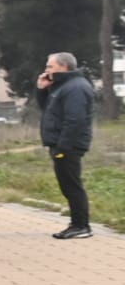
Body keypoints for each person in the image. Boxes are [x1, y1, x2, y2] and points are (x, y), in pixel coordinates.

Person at [36, 51, 96, 239]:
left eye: (50, 66)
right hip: (61, 144)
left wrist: (62, 147)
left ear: (64, 67)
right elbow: (47, 110)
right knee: (67, 185)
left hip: (69, 145)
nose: (46, 70)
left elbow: (75, 120)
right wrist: (41, 89)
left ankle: (81, 226)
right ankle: (78, 223)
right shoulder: (60, 86)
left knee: (72, 185)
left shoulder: (75, 87)